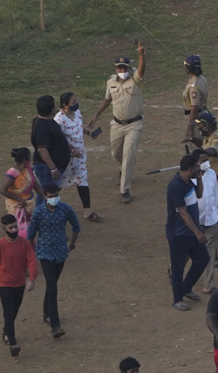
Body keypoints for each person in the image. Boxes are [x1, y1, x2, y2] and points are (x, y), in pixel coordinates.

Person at [88, 44, 146, 203]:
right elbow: (107, 99)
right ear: (115, 69)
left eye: (124, 68)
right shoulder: (111, 82)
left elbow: (141, 69)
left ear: (128, 68)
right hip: (117, 124)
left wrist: (141, 55)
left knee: (128, 155)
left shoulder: (135, 79)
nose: (122, 71)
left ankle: (125, 189)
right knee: (115, 153)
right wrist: (96, 115)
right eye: (119, 68)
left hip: (134, 125)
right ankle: (123, 170)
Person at [27, 180, 81, 339]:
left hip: (60, 253)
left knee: (52, 285)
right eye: (51, 196)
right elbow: (30, 235)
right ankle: (55, 325)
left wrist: (71, 245)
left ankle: (46, 313)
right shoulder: (38, 212)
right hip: (44, 253)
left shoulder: (65, 209)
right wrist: (31, 255)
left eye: (56, 195)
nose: (54, 198)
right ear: (45, 196)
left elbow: (76, 226)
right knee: (52, 286)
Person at [0, 216, 36, 357]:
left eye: (15, 226)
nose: (14, 230)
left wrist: (32, 279)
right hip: (4, 284)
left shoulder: (24, 243)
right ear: (4, 229)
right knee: (9, 311)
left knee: (14, 310)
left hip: (19, 284)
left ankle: (6, 331)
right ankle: (12, 342)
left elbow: (31, 260)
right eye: (10, 228)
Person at [164, 155, 209, 312]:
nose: (199, 169)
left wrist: (200, 178)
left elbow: (199, 195)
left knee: (203, 259)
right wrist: (197, 232)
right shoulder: (175, 186)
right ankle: (177, 299)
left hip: (190, 232)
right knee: (177, 267)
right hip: (178, 234)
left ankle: (186, 287)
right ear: (189, 169)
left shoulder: (189, 180)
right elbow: (182, 213)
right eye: (196, 168)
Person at [192, 111, 218, 267]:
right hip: (210, 182)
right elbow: (205, 146)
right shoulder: (208, 138)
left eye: (201, 126)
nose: (199, 128)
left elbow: (213, 150)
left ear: (208, 126)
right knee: (211, 217)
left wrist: (200, 154)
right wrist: (192, 140)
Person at [54, 92, 101, 222]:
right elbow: (58, 140)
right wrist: (71, 150)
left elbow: (80, 126)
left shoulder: (77, 112)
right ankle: (47, 203)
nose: (76, 104)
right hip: (67, 157)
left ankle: (87, 210)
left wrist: (88, 132)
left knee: (82, 178)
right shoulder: (59, 120)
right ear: (65, 105)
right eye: (73, 102)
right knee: (60, 181)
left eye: (76, 101)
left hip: (79, 155)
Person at [29, 95, 70, 200]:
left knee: (48, 193)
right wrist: (53, 168)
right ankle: (41, 215)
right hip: (46, 167)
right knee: (47, 194)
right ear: (52, 110)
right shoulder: (43, 127)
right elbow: (42, 150)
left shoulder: (43, 121)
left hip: (49, 166)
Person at [194, 150, 218, 295]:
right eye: (202, 160)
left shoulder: (211, 174)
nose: (206, 162)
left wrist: (216, 217)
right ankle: (175, 272)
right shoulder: (189, 177)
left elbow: (214, 196)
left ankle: (208, 284)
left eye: (207, 159)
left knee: (210, 252)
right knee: (187, 251)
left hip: (210, 220)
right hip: (194, 222)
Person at [1, 148, 43, 237]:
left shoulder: (29, 170)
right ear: (25, 159)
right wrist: (20, 200)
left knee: (29, 229)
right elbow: (3, 190)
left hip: (29, 204)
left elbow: (36, 185)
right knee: (16, 229)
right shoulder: (12, 173)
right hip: (16, 205)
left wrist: (45, 197)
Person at [181, 54, 208, 142]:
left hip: (196, 118)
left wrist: (189, 127)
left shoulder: (194, 86)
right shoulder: (202, 78)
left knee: (197, 147)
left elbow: (195, 107)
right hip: (203, 114)